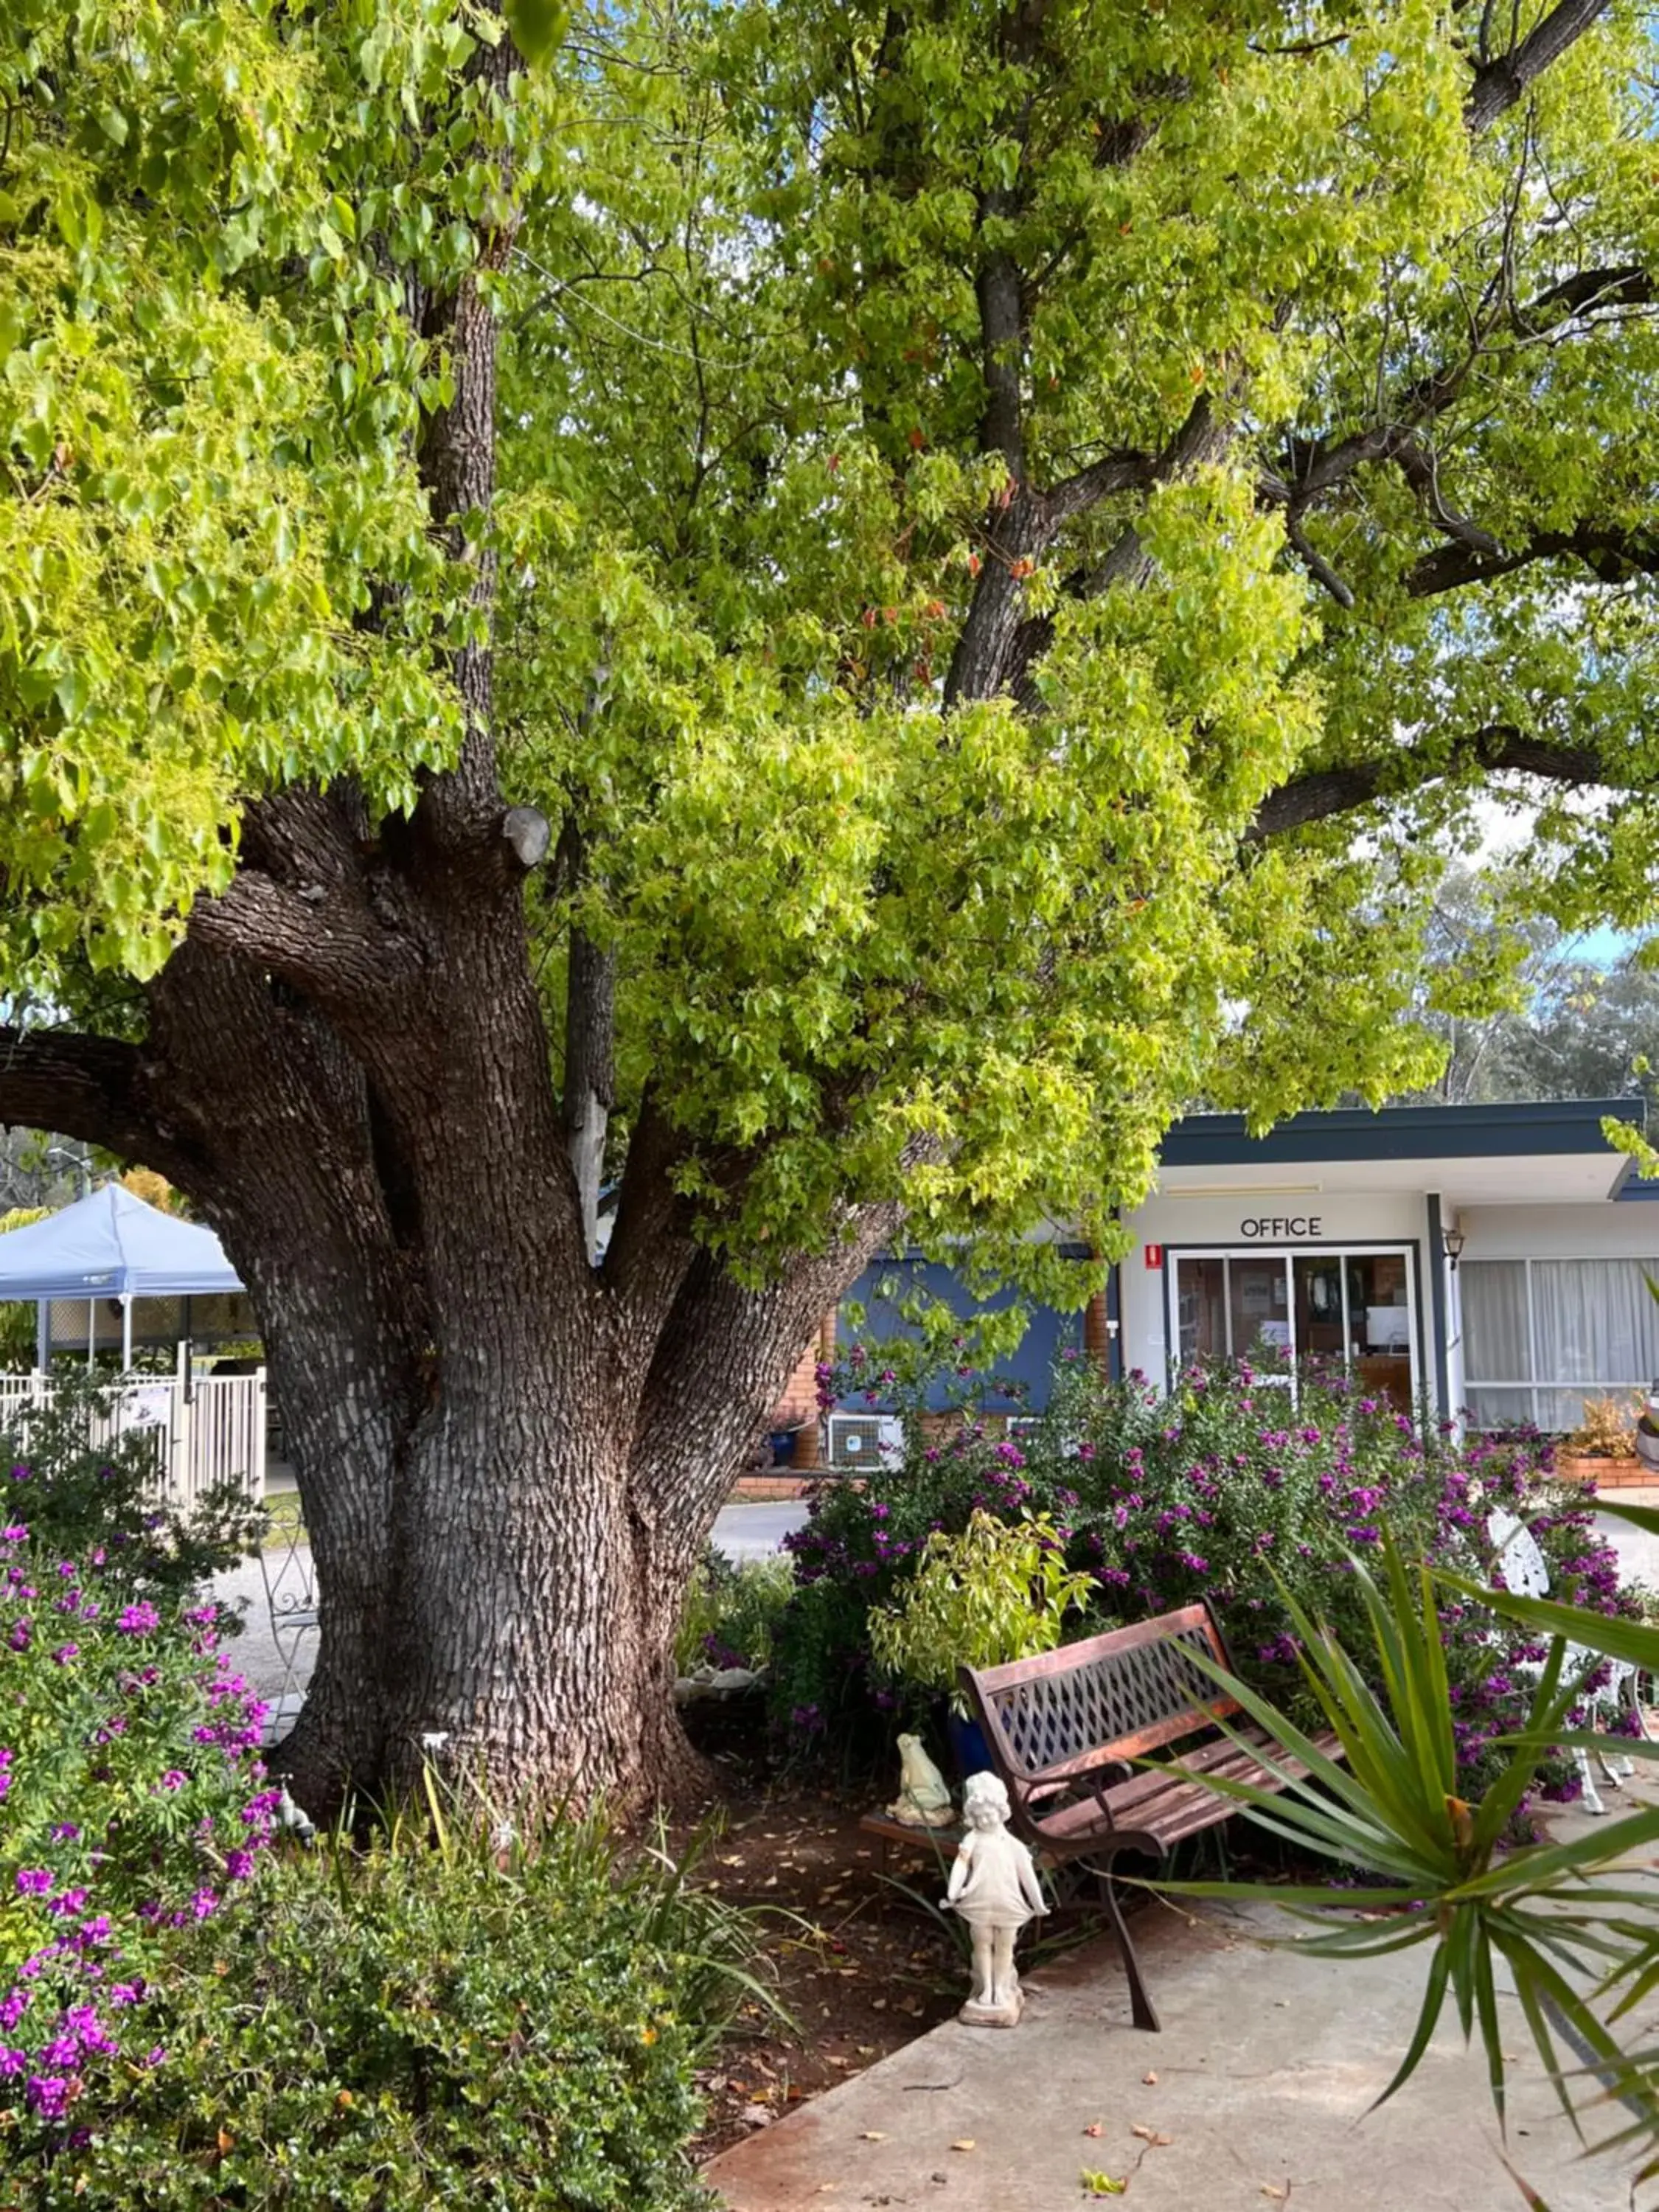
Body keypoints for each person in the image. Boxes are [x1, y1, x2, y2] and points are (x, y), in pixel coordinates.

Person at [945, 1771, 1048, 2023]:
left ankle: (1001, 1989)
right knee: (981, 1944)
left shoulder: (1013, 1845)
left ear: (1001, 1812)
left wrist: (1038, 1904)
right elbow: (961, 1866)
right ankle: (986, 1988)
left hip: (1007, 1902)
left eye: (989, 1814)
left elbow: (1027, 1876)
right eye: (979, 1817)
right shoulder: (972, 1840)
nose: (985, 1820)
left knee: (1004, 1946)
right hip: (979, 1901)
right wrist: (953, 1892)